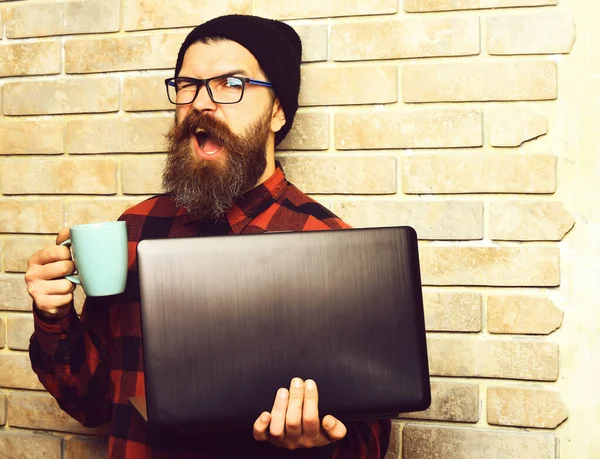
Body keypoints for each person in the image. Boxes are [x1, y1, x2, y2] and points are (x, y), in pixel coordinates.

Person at [25, 14, 391, 458]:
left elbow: (370, 441)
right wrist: (54, 315)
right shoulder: (136, 231)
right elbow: (93, 402)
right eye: (187, 86)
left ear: (278, 111)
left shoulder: (331, 245)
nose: (201, 103)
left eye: (231, 84)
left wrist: (316, 442)